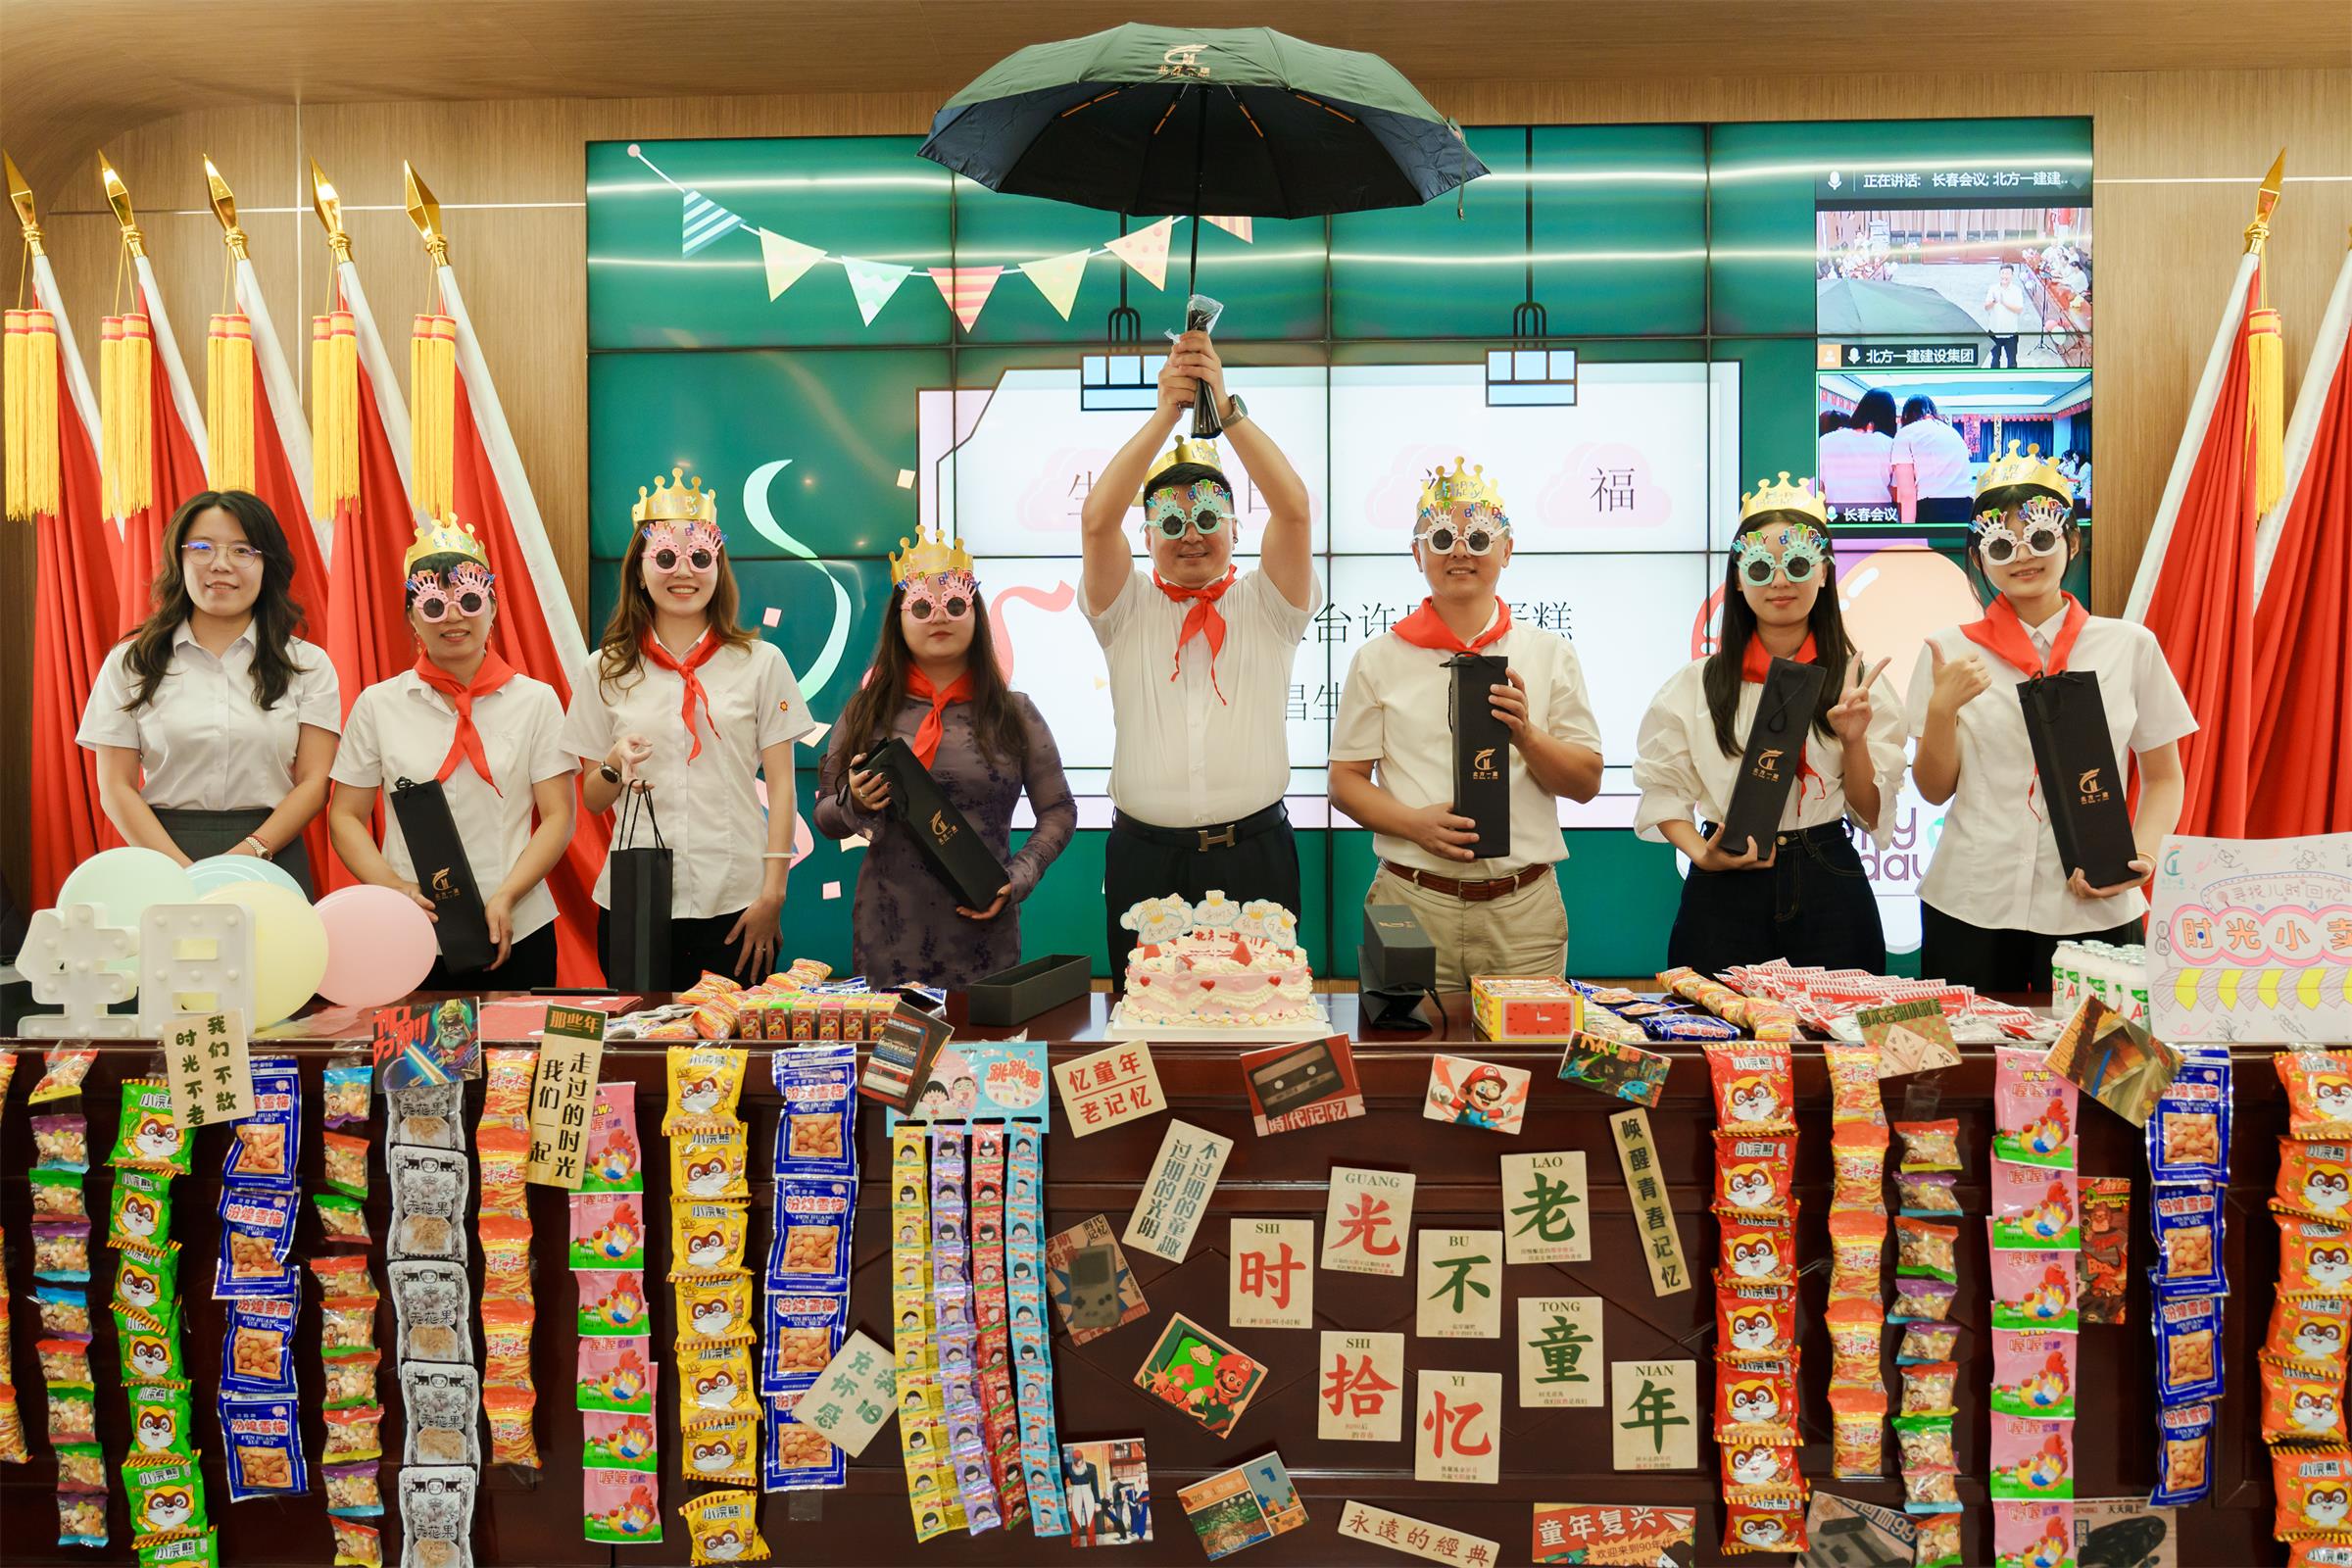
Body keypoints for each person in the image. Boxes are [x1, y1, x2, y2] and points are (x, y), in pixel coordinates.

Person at [1906, 443, 2193, 993]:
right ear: (1979, 558)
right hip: (1971, 900)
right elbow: (1934, 790)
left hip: (2094, 903)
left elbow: (2164, 777)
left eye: (2039, 537)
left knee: (2100, 1048)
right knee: (1969, 1048)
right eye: (2000, 544)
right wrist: (1942, 709)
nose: (2022, 556)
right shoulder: (1948, 652)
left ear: (2071, 541)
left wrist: (2142, 854)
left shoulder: (2129, 646)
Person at [1079, 332, 1319, 975]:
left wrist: (1224, 409)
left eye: (1208, 519)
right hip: (1145, 861)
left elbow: (1294, 510)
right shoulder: (1124, 608)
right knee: (1145, 1020)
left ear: (1236, 529)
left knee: (1265, 1018)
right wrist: (1168, 412)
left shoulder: (1269, 604)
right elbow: (1097, 521)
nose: (1191, 536)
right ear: (1147, 535)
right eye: (1171, 523)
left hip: (1256, 856)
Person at [1329, 459, 1602, 990]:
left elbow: (1586, 783)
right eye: (1441, 538)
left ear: (1507, 549)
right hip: (1410, 898)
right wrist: (1414, 825)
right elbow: (1344, 781)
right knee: (1404, 1041)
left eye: (1478, 537)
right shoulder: (1378, 658)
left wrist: (1527, 735)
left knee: (1524, 1043)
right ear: (1417, 553)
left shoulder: (1549, 653)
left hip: (1523, 911)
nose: (1459, 551)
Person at [1634, 474, 1905, 975]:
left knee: (1840, 1022)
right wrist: (1702, 855)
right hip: (1723, 883)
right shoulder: (1695, 685)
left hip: (1828, 877)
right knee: (1713, 1018)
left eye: (1797, 564)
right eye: (1761, 567)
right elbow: (1663, 789)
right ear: (1738, 579)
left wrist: (1854, 740)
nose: (1780, 581)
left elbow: (1869, 812)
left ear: (1823, 572)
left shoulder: (1857, 682)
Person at [562, 469, 810, 986]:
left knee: (733, 1037)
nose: (683, 572)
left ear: (718, 568)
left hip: (737, 901)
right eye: (665, 558)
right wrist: (614, 762)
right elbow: (592, 800)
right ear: (640, 570)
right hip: (636, 902)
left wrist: (773, 893)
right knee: (638, 1031)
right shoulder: (603, 669)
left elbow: (783, 787)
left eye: (699, 557)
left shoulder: (761, 663)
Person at [813, 528, 1075, 988]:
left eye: (955, 604)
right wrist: (853, 800)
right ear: (899, 619)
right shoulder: (867, 710)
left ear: (976, 614)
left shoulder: (1014, 713)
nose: (939, 617)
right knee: (893, 1037)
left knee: (983, 1036)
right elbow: (825, 816)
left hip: (984, 923)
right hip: (888, 928)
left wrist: (1020, 875)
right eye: (921, 607)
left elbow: (1059, 810)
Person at [328, 519, 577, 986]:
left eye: (469, 600)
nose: (452, 617)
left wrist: (508, 895)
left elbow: (559, 815)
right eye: (433, 605)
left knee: (517, 1037)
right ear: (412, 616)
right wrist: (394, 888)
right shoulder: (378, 704)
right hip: (412, 927)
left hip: (519, 925)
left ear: (493, 607)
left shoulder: (536, 701)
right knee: (413, 1037)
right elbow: (344, 815)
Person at [78, 490, 339, 894]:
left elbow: (314, 783)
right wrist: (184, 873)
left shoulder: (308, 665)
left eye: (242, 550)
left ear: (267, 564)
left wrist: (246, 856)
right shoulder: (132, 662)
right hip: (160, 854)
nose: (220, 564)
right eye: (202, 548)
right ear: (179, 560)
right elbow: (115, 787)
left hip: (270, 853)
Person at [1890, 395, 1976, 526]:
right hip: (1966, 507)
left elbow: (1907, 495)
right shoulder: (1952, 432)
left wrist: (1907, 532)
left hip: (1931, 508)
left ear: (1906, 416)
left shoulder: (1905, 433)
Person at [1818, 388, 1897, 509]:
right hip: (1877, 515)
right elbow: (1897, 490)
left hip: (1835, 515)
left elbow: (1819, 488)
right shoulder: (1890, 445)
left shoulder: (1825, 441)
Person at [1984, 262, 2029, 368]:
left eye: (2008, 273)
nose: (2005, 276)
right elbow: (1986, 307)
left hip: (2011, 333)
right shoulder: (1993, 289)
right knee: (1995, 360)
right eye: (2003, 273)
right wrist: (1994, 302)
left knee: (2012, 361)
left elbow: (2019, 310)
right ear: (1999, 274)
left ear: (2012, 275)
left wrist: (2004, 303)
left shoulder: (2016, 290)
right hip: (1994, 332)